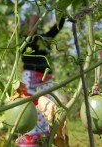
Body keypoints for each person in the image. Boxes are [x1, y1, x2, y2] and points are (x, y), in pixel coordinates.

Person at [17, 15, 66, 147]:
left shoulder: (45, 39)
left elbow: (57, 28)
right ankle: (28, 143)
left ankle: (43, 141)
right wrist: (31, 27)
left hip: (44, 80)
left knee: (45, 110)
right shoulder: (24, 41)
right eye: (31, 22)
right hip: (31, 79)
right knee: (29, 110)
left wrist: (63, 12)